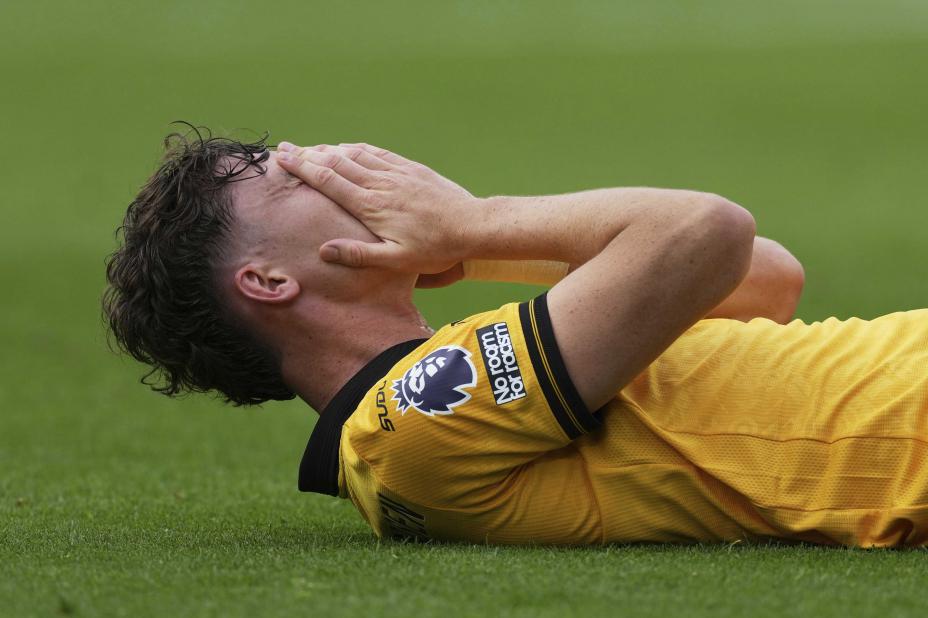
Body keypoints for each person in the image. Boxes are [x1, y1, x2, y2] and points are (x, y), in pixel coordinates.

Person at [104, 127, 928, 547]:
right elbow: (707, 230)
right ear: (268, 282)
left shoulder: (446, 383)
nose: (323, 166)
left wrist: (474, 250)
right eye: (285, 180)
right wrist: (475, 220)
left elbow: (762, 278)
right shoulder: (406, 421)